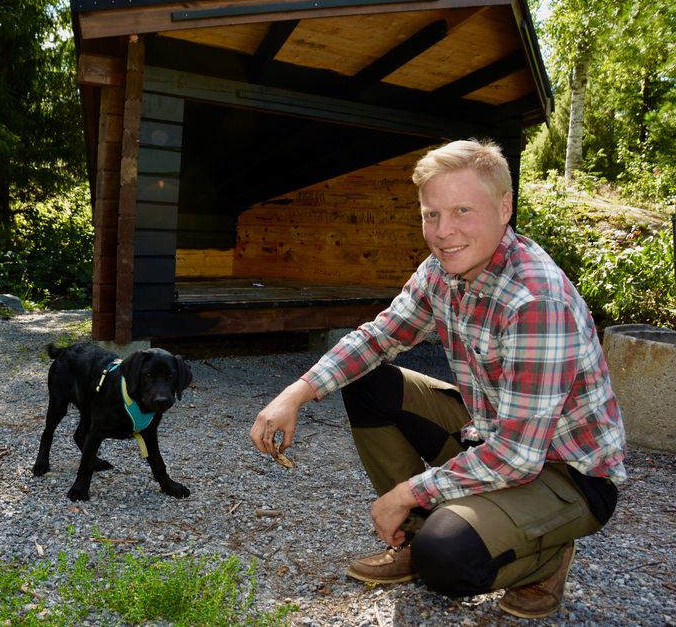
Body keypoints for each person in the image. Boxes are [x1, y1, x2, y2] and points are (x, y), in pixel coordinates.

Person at [250, 139, 627, 619]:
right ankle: (416, 531)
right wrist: (295, 393)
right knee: (369, 381)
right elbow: (378, 338)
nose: (444, 232)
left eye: (463, 211)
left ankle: (545, 557)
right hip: (492, 439)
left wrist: (405, 493)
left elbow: (517, 458)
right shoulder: (441, 271)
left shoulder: (535, 302)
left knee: (446, 558)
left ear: (505, 207)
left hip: (566, 473)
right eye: (432, 215)